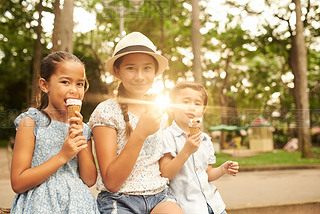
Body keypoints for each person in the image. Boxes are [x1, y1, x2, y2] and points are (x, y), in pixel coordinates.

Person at [89, 32, 183, 214]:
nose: (140, 76)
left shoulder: (157, 111)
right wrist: (140, 133)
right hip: (119, 199)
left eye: (147, 68)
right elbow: (112, 182)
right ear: (118, 71)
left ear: (155, 72)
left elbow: (162, 165)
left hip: (159, 195)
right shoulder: (106, 111)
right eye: (131, 68)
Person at [10, 51, 99, 213]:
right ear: (45, 85)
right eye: (65, 82)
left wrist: (79, 136)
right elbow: (18, 183)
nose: (74, 90)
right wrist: (62, 156)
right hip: (40, 204)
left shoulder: (83, 128)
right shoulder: (30, 123)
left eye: (80, 84)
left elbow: (89, 179)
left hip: (78, 205)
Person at [159, 81, 239, 214]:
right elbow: (165, 173)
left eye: (197, 104)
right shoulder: (167, 136)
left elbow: (207, 174)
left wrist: (222, 169)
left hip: (214, 205)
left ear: (203, 110)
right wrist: (186, 151)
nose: (192, 108)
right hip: (187, 207)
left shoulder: (205, 139)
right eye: (185, 102)